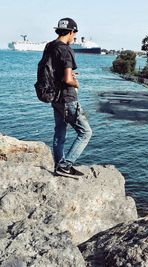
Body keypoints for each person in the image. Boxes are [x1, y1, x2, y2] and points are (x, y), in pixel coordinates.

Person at [45, 18, 92, 177]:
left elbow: (54, 71)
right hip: (67, 98)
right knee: (85, 132)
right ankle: (66, 165)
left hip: (55, 98)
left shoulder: (50, 46)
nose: (74, 38)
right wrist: (75, 83)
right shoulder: (66, 50)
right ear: (71, 32)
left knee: (59, 132)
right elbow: (67, 80)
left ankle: (59, 165)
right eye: (75, 34)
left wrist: (69, 74)